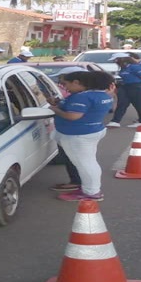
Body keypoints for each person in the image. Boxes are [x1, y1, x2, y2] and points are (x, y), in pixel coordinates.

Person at [49, 70, 116, 201]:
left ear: (76, 82)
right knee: (88, 161)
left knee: (85, 163)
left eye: (65, 84)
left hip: (78, 135)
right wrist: (59, 104)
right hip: (92, 131)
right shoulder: (104, 94)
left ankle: (91, 193)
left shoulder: (82, 97)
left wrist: (54, 109)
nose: (65, 88)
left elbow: (73, 116)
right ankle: (88, 187)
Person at [106, 53, 141, 128]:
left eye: (116, 60)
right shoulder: (123, 68)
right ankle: (115, 121)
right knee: (122, 104)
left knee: (139, 104)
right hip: (126, 87)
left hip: (137, 87)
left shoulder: (135, 67)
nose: (115, 62)